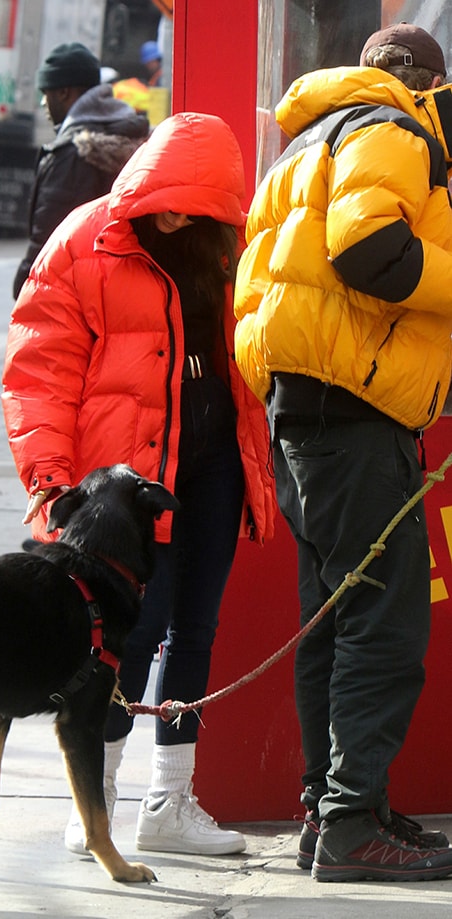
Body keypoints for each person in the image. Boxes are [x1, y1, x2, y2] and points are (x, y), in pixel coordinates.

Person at [3, 112, 276, 856]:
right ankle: (96, 801)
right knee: (124, 637)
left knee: (196, 626)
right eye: (168, 199)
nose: (177, 216)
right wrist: (52, 479)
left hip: (215, 465)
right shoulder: (87, 240)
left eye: (195, 204)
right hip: (122, 485)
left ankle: (169, 803)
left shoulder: (234, 248)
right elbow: (39, 371)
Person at [233, 22, 452, 881]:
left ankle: (332, 813)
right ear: (430, 85)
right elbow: (369, 251)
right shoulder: (395, 129)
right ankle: (353, 822)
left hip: (304, 412)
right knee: (384, 620)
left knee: (335, 612)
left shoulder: (305, 144)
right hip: (354, 414)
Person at [12, 42, 149, 299]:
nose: (43, 103)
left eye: (46, 93)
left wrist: (23, 281)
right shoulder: (133, 137)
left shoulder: (72, 154)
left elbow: (49, 238)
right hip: (121, 292)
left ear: (64, 92)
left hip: (72, 296)